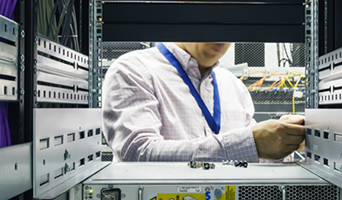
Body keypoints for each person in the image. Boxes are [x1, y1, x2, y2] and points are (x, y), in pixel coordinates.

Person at [102, 42, 305, 162]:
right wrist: (249, 143)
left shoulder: (232, 84)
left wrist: (285, 140)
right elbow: (138, 153)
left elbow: (253, 155)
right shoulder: (133, 69)